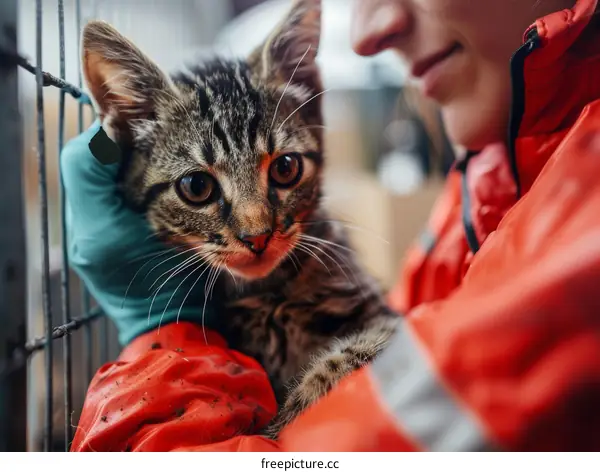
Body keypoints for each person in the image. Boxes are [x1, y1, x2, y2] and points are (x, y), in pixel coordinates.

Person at [62, 0, 600, 452]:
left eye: (285, 169)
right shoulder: (486, 182)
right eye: (199, 188)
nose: (257, 228)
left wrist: (159, 338)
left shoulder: (579, 247)